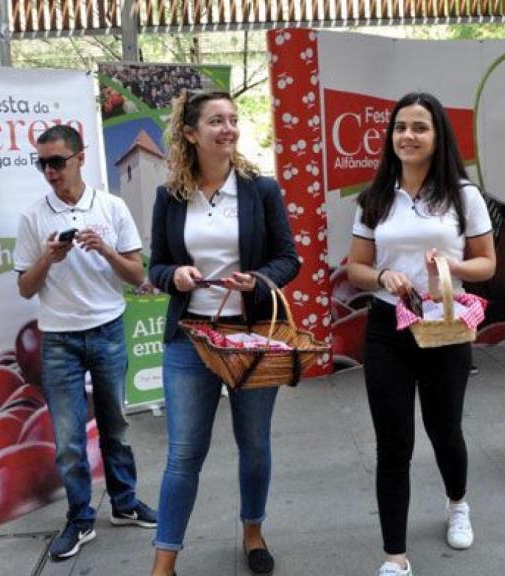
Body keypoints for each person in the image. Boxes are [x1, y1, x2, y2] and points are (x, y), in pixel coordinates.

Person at [148, 90, 300, 576]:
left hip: (251, 337)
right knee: (184, 454)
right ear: (190, 133)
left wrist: (258, 280)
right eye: (216, 121)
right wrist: (174, 275)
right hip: (190, 339)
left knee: (253, 444)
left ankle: (253, 531)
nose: (228, 128)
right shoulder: (170, 196)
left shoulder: (260, 190)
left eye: (233, 119)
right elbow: (156, 265)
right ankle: (164, 562)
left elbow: (288, 258)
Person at [345, 92, 496, 576]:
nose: (408, 136)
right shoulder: (374, 197)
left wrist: (451, 266)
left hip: (444, 327)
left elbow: (487, 264)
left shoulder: (463, 195)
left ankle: (458, 503)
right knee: (393, 444)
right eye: (400, 127)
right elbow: (355, 267)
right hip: (388, 328)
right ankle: (395, 556)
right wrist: (382, 276)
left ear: (438, 136)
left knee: (444, 430)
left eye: (419, 127)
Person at [12, 125, 157, 561]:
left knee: (116, 428)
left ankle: (124, 504)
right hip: (58, 338)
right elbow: (25, 287)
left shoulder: (111, 207)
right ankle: (79, 518)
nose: (50, 171)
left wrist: (106, 250)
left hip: (108, 330)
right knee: (70, 439)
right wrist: (48, 258)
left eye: (57, 161)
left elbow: (137, 275)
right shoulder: (33, 216)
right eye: (42, 163)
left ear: (80, 158)